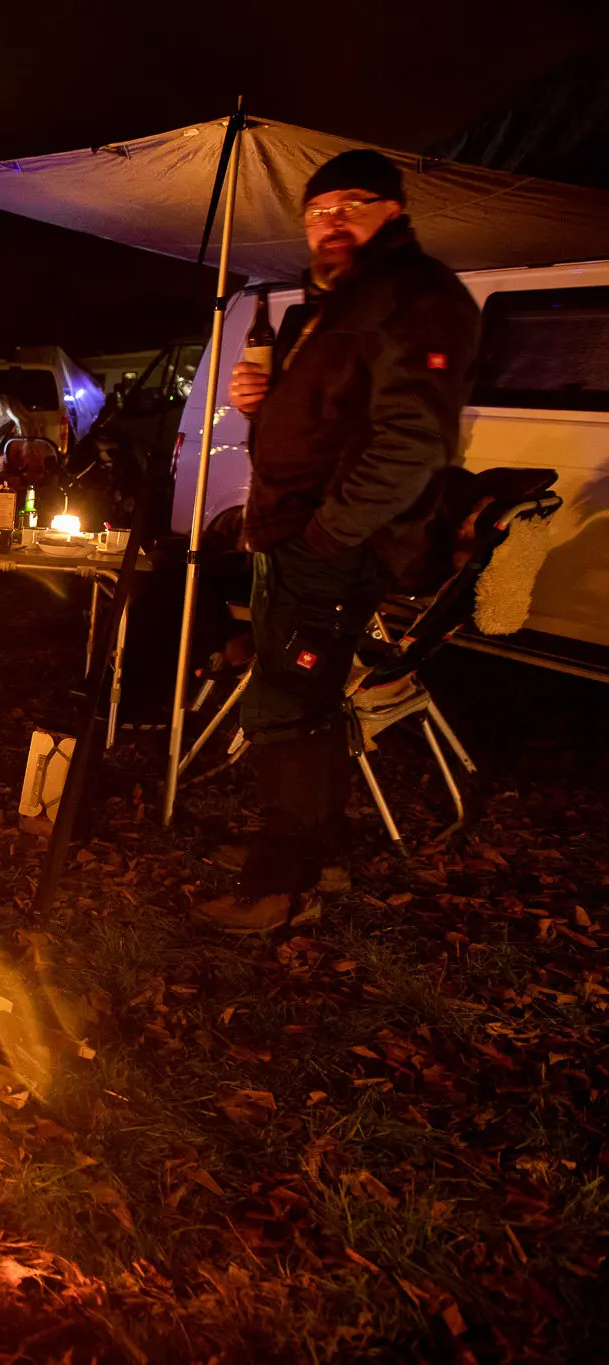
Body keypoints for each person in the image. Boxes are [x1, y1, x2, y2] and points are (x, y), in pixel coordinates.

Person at [193, 149, 479, 933]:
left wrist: (327, 534)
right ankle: (315, 852)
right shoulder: (336, 302)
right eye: (318, 210)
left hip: (331, 540)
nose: (332, 221)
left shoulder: (416, 296)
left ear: (393, 210)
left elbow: (412, 437)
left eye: (353, 203)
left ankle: (280, 887)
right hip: (296, 530)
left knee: (287, 705)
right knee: (303, 699)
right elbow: (332, 414)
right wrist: (266, 397)